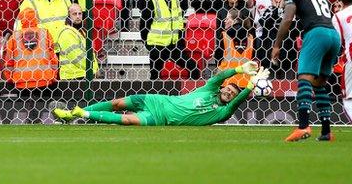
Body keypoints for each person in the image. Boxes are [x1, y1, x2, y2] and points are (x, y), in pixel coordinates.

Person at [53, 62, 266, 125]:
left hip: (160, 118)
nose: (229, 92)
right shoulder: (209, 89)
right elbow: (219, 77)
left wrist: (248, 87)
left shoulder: (221, 113)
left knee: (127, 120)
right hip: (158, 99)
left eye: (233, 92)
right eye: (229, 88)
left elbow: (235, 104)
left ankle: (83, 114)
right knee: (117, 103)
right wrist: (239, 70)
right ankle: (71, 115)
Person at [271, 0, 341, 142]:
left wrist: (277, 45)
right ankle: (326, 132)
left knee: (304, 80)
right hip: (333, 35)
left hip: (316, 34)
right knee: (319, 84)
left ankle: (303, 127)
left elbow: (287, 19)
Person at [332, 0, 352, 121]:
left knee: (348, 97)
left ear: (342, 4)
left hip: (351, 58)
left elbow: (337, 42)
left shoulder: (338, 16)